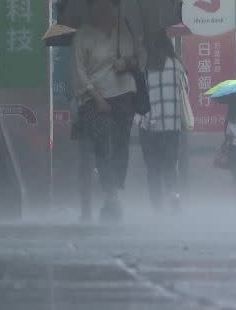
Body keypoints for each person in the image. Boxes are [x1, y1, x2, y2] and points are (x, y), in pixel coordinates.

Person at [71, 0, 145, 222]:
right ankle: (109, 194)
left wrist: (128, 62)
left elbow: (141, 58)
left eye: (108, 5)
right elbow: (78, 72)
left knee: (121, 145)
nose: (103, 9)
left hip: (124, 94)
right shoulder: (83, 35)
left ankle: (113, 193)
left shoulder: (126, 28)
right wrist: (96, 97)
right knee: (103, 145)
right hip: (93, 98)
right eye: (97, 5)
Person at [138, 30, 190, 213]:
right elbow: (186, 90)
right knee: (170, 164)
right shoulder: (177, 65)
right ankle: (173, 195)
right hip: (172, 126)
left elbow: (138, 97)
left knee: (153, 169)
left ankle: (156, 206)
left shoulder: (144, 68)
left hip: (149, 127)